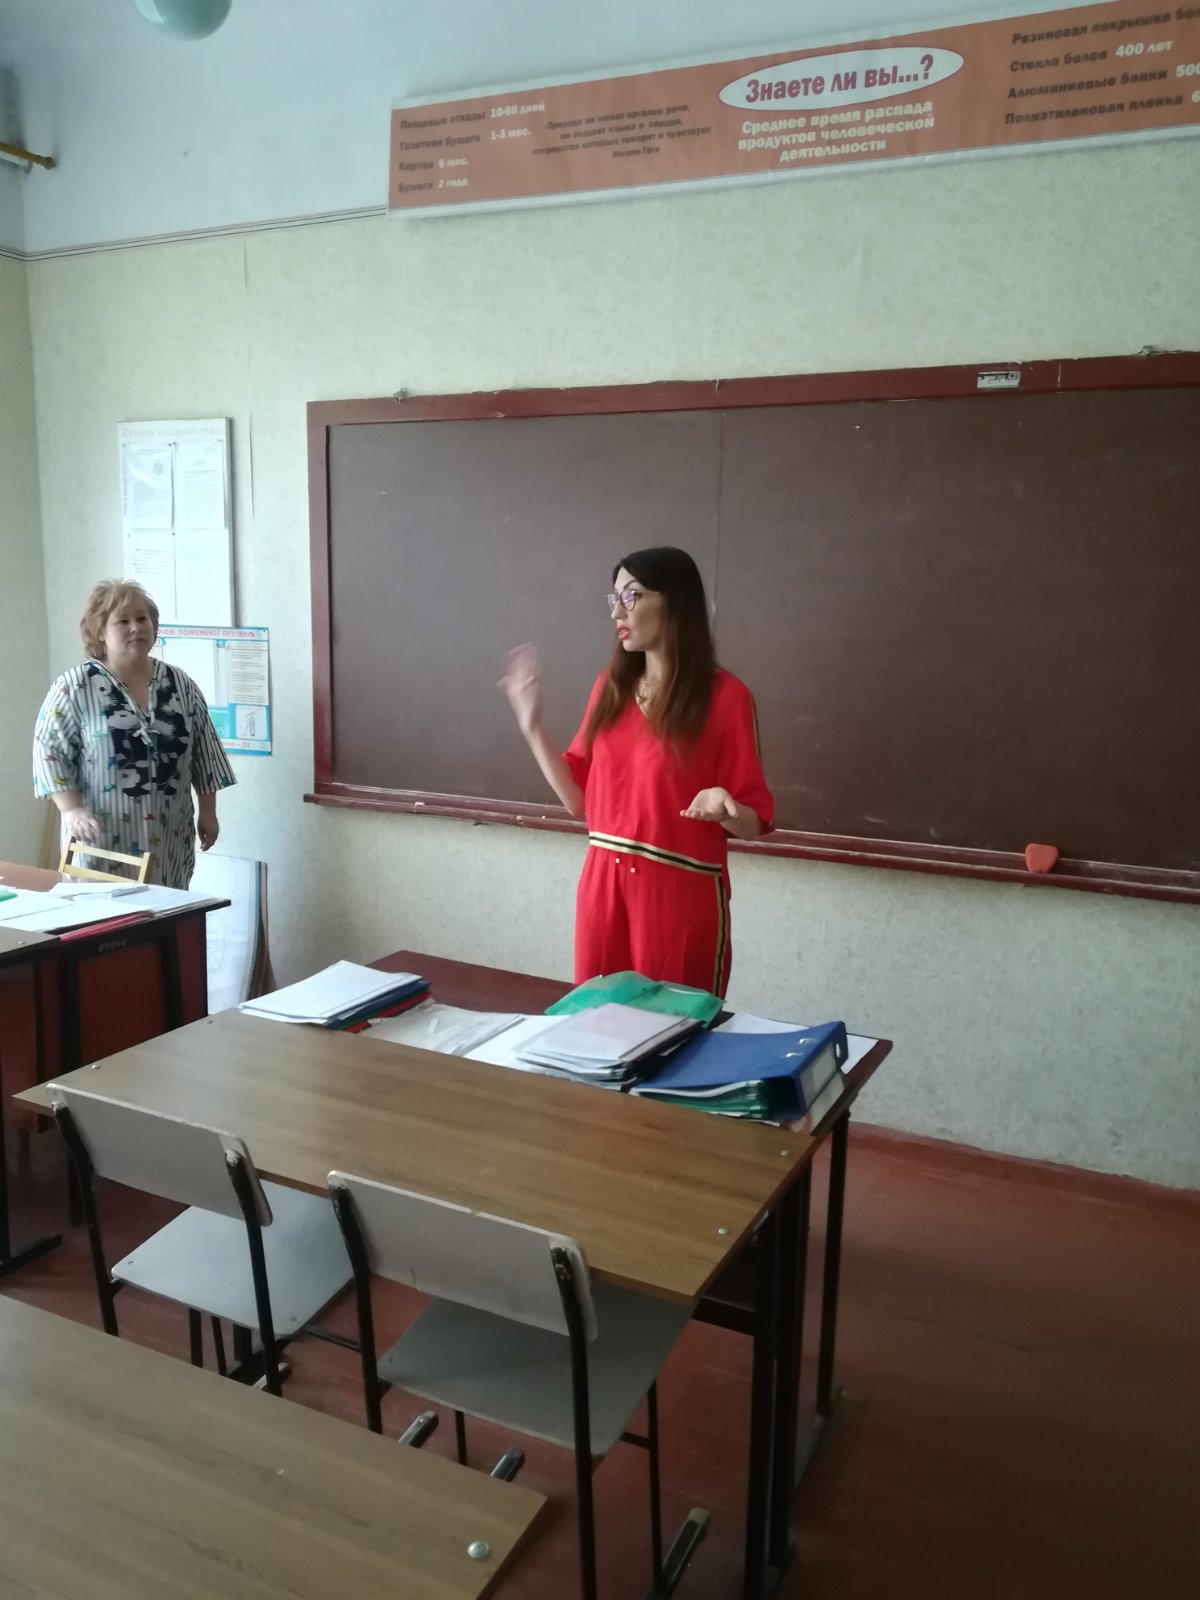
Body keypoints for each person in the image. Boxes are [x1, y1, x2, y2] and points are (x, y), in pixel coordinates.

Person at [502, 546, 773, 996]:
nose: (617, 612)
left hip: (678, 893)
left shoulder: (726, 697)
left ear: (673, 601)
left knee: (675, 1026)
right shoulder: (610, 687)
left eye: (632, 596)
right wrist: (532, 727)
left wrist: (725, 807)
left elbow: (753, 821)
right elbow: (577, 801)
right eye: (614, 599)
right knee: (597, 1023)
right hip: (602, 886)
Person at [32, 579, 235, 888]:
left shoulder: (180, 685)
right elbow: (49, 752)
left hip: (170, 839)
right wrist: (70, 809)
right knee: (107, 917)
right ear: (101, 631)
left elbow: (205, 752)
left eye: (142, 619)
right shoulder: (75, 686)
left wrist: (208, 812)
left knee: (167, 912)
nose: (135, 627)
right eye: (122, 621)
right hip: (100, 841)